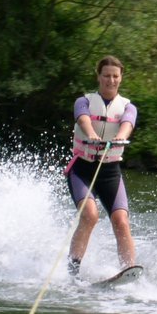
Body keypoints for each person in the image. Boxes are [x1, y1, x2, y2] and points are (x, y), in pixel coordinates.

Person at [64, 55, 138, 276]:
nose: (111, 80)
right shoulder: (83, 101)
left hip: (110, 172)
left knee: (121, 221)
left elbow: (128, 123)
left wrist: (120, 137)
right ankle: (72, 272)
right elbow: (83, 118)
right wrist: (92, 135)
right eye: (106, 75)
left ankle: (129, 271)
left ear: (121, 78)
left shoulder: (128, 106)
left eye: (115, 76)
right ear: (98, 76)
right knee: (90, 215)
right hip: (82, 170)